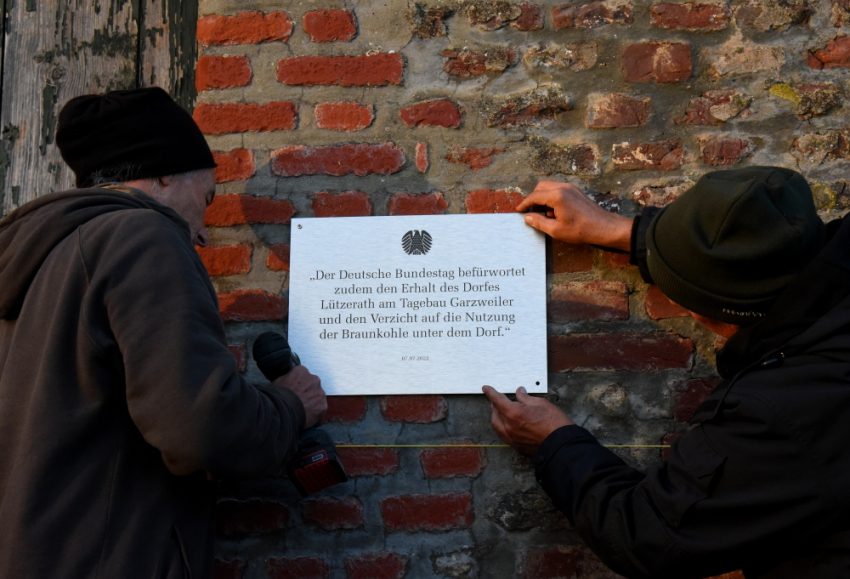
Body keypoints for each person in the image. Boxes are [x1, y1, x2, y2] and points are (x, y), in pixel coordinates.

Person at [0, 87, 326, 578]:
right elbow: (201, 428)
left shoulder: (39, 256)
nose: (204, 234)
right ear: (165, 173)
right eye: (207, 198)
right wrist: (291, 406)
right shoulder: (142, 236)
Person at [484, 166, 850, 578]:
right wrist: (625, 232)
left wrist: (554, 442)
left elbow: (649, 534)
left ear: (701, 311)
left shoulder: (782, 413)